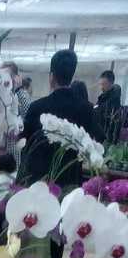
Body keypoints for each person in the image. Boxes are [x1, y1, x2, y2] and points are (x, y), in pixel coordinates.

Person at [21, 49, 101, 187]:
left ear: (51, 76)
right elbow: (98, 138)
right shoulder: (87, 109)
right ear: (72, 75)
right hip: (70, 178)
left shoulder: (37, 107)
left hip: (39, 179)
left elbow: (25, 142)